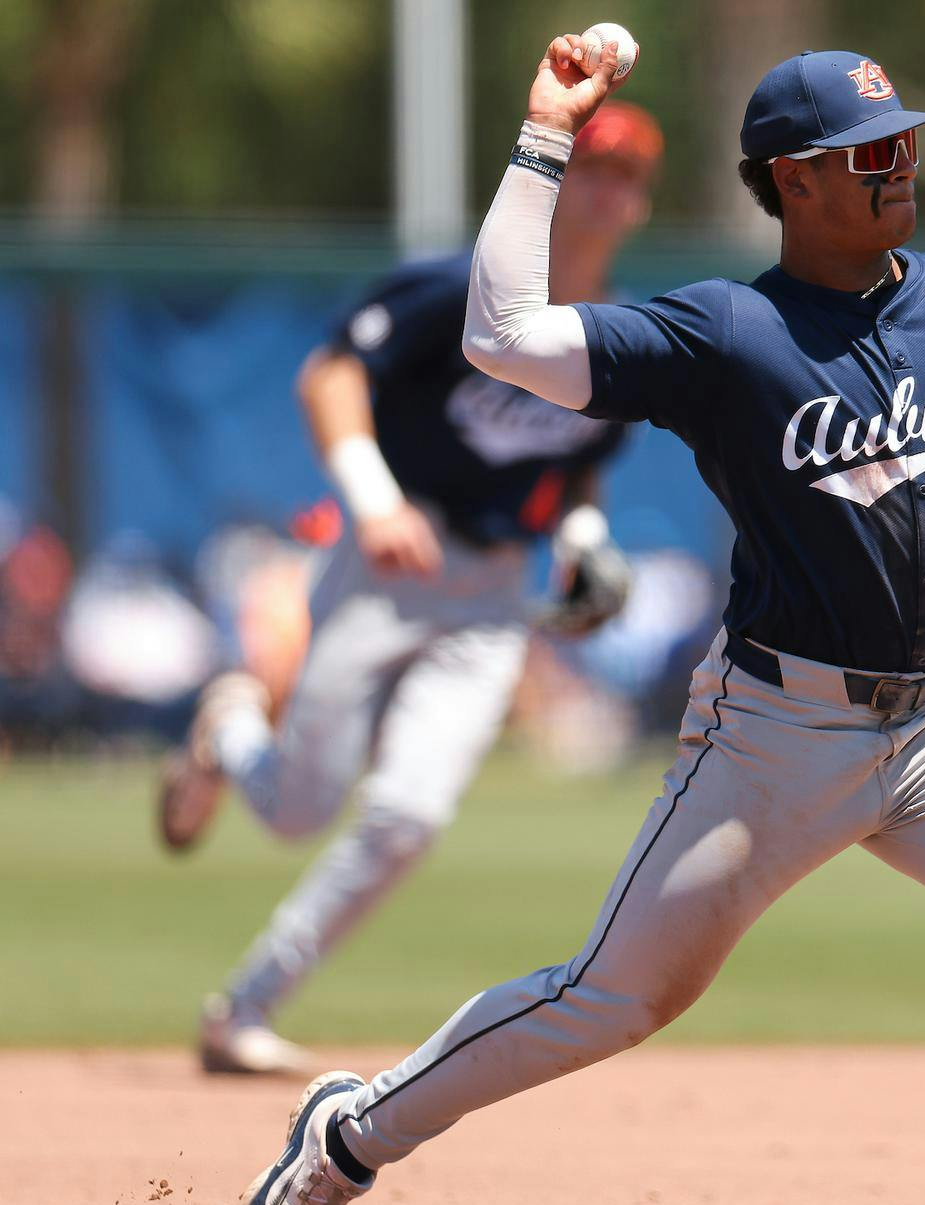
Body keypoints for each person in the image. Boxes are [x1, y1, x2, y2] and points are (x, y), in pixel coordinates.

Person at [228, 38, 925, 1205]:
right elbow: (501, 336)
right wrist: (546, 135)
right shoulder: (727, 333)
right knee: (612, 998)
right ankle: (351, 1135)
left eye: (906, 143)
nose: (900, 167)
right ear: (791, 179)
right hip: (776, 729)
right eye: (867, 153)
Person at [158, 103, 666, 1076]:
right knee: (299, 807)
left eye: (628, 175)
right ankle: (230, 730)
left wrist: (585, 536)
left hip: (491, 593)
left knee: (409, 816)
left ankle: (242, 1010)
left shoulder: (616, 331)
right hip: (390, 561)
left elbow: (578, 460)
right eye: (593, 167)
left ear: (641, 201)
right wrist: (374, 497)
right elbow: (330, 373)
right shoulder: (460, 287)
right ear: (556, 184)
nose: (608, 189)